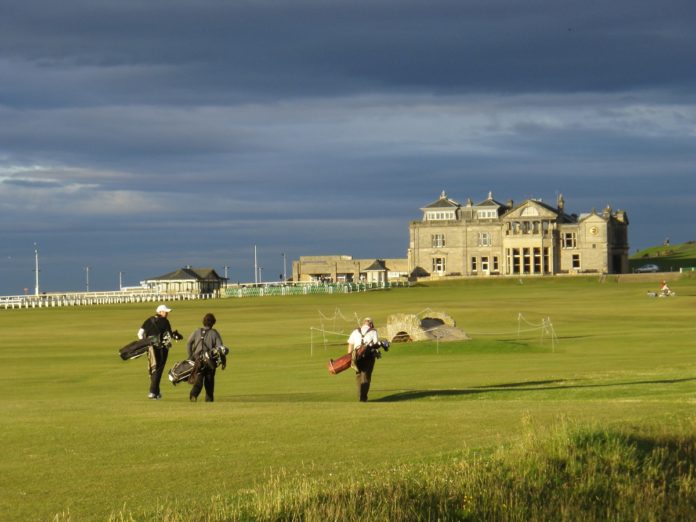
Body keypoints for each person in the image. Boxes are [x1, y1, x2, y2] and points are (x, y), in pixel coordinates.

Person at [138, 304, 179, 400]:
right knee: (158, 369)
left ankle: (156, 392)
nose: (167, 313)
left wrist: (145, 343)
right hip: (162, 348)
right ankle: (152, 392)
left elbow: (139, 334)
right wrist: (176, 336)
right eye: (165, 312)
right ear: (160, 312)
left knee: (153, 368)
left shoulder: (149, 320)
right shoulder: (165, 321)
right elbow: (169, 334)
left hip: (150, 347)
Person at [186, 313, 226, 402]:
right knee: (209, 381)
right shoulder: (214, 333)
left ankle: (193, 395)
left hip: (197, 360)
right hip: (210, 361)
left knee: (198, 380)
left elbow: (189, 343)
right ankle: (209, 399)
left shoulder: (197, 331)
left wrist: (190, 355)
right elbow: (220, 348)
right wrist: (223, 361)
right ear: (213, 323)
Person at [347, 317, 380, 402]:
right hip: (368, 357)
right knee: (366, 377)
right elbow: (376, 345)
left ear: (363, 323)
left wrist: (349, 357)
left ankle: (360, 396)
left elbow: (350, 344)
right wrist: (377, 354)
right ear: (371, 324)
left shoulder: (355, 331)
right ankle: (363, 398)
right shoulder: (373, 331)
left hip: (356, 358)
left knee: (358, 376)